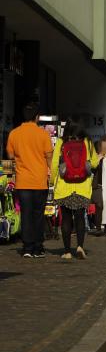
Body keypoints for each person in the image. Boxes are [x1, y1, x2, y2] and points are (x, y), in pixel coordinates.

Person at [6, 103, 53, 258]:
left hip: (22, 181)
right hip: (39, 181)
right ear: (37, 117)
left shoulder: (14, 134)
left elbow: (11, 157)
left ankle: (27, 247)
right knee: (38, 215)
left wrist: (12, 175)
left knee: (25, 214)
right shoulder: (43, 135)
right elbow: (49, 157)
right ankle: (38, 247)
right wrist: (50, 175)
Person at [51, 121, 99, 259]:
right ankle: (80, 247)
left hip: (64, 186)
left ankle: (66, 252)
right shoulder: (87, 142)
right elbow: (94, 162)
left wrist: (52, 181)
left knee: (66, 218)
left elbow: (55, 165)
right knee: (79, 217)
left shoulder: (61, 142)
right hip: (82, 187)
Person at [90, 135, 106, 236]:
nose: (104, 149)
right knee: (99, 205)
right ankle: (98, 227)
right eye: (102, 147)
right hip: (98, 185)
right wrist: (98, 159)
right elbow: (92, 168)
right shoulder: (96, 157)